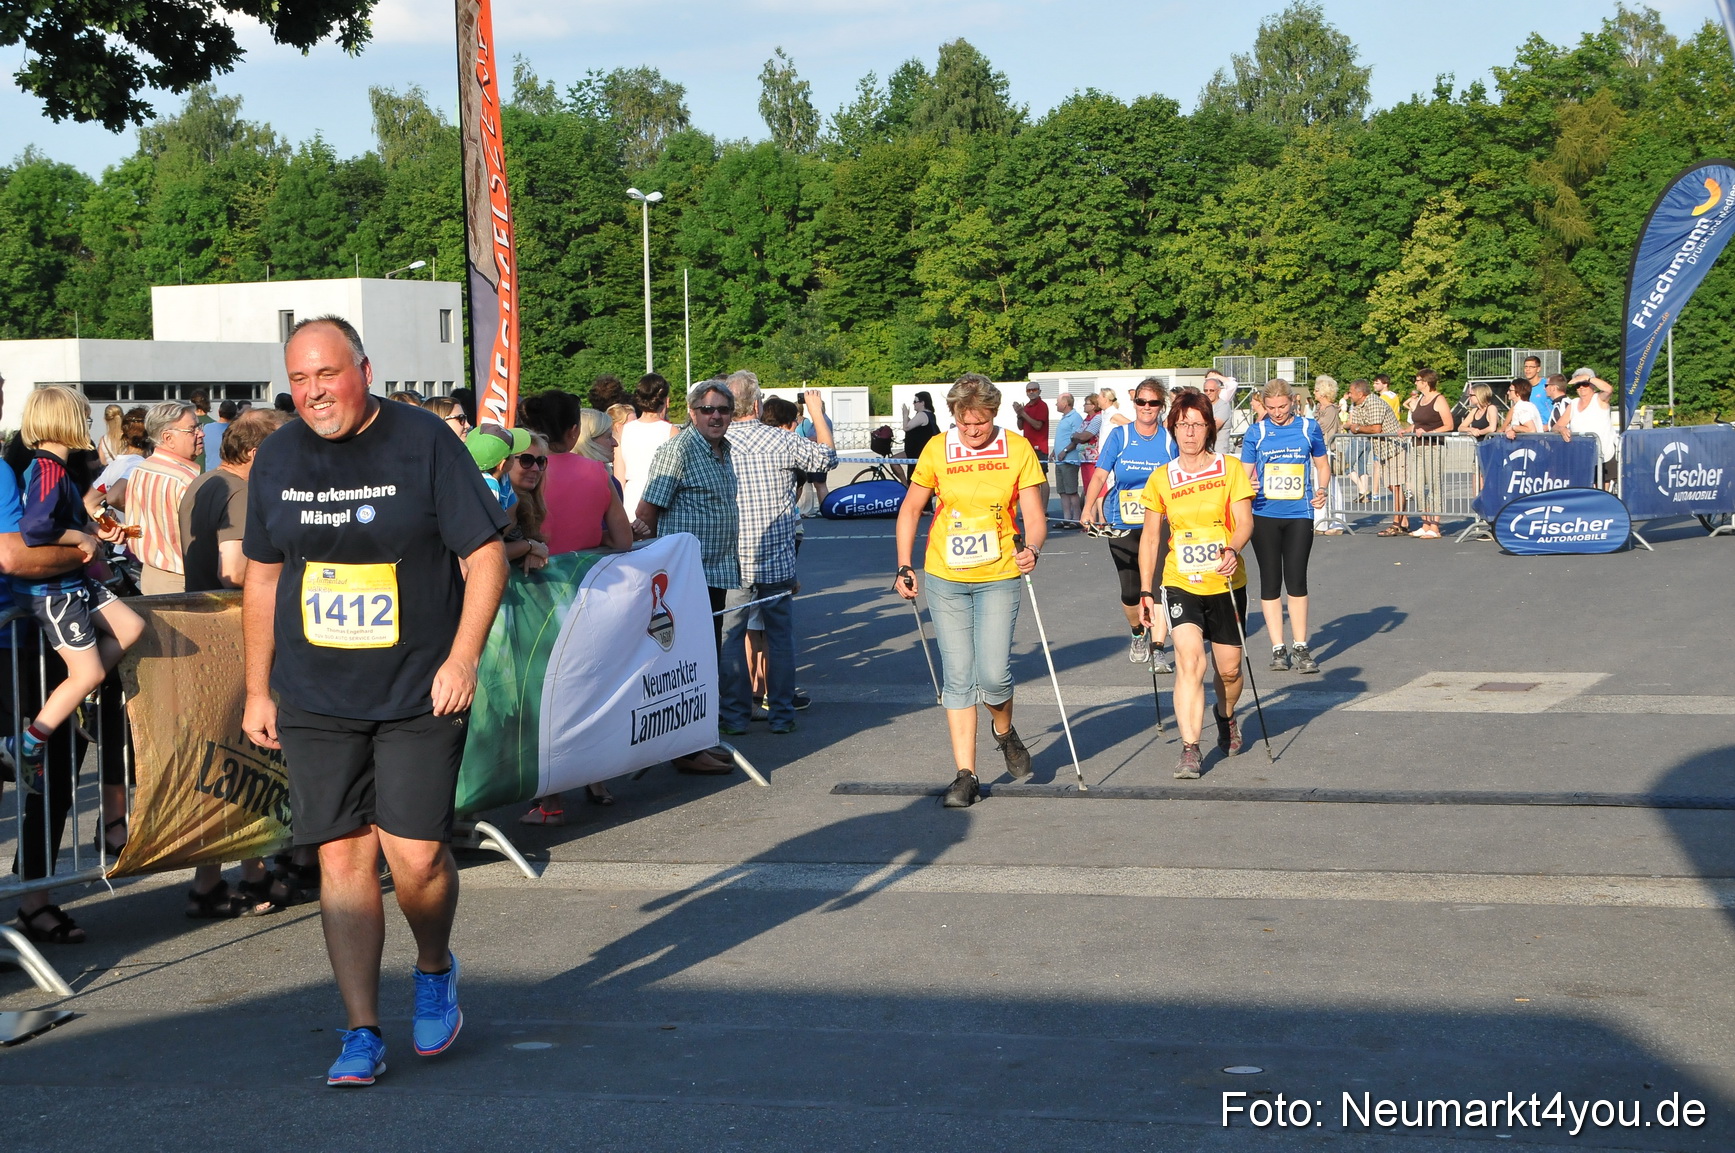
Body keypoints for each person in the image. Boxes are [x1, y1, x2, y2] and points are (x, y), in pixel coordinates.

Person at [241, 314, 509, 1087]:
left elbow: (485, 555)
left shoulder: (424, 442)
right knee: (342, 855)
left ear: (363, 367)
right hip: (316, 693)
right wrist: (257, 687)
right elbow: (262, 575)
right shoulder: (278, 454)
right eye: (298, 379)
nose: (313, 392)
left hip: (419, 686)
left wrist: (465, 656)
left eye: (326, 374)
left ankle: (432, 965)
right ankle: (361, 1027)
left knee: (417, 854)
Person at [178, 407, 312, 917]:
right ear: (257, 453)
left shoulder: (206, 480)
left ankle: (225, 878)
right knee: (248, 756)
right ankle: (248, 872)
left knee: (231, 758)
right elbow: (233, 569)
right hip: (236, 636)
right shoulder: (237, 490)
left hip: (215, 636)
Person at [893, 374, 1046, 809]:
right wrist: (904, 564)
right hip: (946, 574)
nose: (973, 431)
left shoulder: (1016, 449)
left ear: (993, 415)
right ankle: (966, 774)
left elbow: (1034, 515)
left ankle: (1004, 731)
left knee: (994, 676)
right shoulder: (937, 449)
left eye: (980, 423)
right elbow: (911, 508)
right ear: (954, 417)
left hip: (998, 573)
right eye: (965, 423)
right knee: (958, 677)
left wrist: (1032, 547)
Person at [3, 387, 145, 803]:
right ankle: (28, 741)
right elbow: (36, 530)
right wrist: (80, 539)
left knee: (131, 625)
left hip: (76, 585)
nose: (88, 422)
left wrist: (94, 528)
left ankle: (77, 695)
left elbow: (63, 516)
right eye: (82, 416)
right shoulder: (46, 470)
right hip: (55, 592)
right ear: (63, 421)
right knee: (89, 673)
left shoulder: (57, 469)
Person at [1136, 390, 1254, 780]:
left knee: (1230, 671)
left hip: (1224, 583)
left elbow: (1245, 522)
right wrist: (1146, 592)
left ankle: (1226, 715)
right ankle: (1190, 748)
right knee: (1190, 661)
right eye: (1182, 424)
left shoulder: (1230, 468)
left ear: (1209, 428)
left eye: (1197, 424)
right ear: (1173, 428)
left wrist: (1233, 548)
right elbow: (1151, 539)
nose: (1189, 432)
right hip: (1180, 581)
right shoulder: (1162, 477)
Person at [718, 374, 836, 736]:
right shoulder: (781, 439)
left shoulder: (714, 443)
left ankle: (735, 716)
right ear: (757, 405)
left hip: (733, 558)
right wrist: (815, 412)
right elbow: (827, 459)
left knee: (731, 638)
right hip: (777, 556)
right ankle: (782, 714)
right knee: (780, 637)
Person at [633, 379, 740, 776]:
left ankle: (699, 740)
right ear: (692, 413)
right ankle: (686, 748)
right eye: (708, 409)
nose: (716, 416)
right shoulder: (677, 450)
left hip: (715, 571)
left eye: (723, 410)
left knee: (705, 657)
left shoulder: (723, 451)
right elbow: (647, 512)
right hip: (685, 578)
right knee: (690, 659)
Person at [1080, 377, 1176, 671]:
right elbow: (1099, 475)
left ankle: (1158, 647)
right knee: (1131, 591)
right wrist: (1087, 510)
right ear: (1134, 403)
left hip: (1158, 525)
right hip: (1122, 521)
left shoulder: (1170, 439)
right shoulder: (1120, 436)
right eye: (1141, 402)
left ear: (1161, 406)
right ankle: (1138, 632)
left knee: (1158, 585)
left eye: (1153, 402)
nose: (1147, 408)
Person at [1242, 380, 1329, 672]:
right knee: (1270, 580)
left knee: (1296, 578)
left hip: (1299, 512)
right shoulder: (1257, 432)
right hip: (1265, 513)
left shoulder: (1309, 427)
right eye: (1270, 408)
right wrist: (1250, 484)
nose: (1277, 413)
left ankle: (1301, 646)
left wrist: (1323, 489)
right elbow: (1244, 475)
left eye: (1282, 407)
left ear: (1292, 401)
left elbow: (1321, 463)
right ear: (1263, 406)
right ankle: (1278, 647)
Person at [124, 401, 204, 593]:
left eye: (199, 427)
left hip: (150, 576)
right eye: (192, 429)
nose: (201, 434)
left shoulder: (140, 470)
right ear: (168, 438)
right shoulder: (186, 480)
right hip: (182, 581)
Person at [1346, 379, 1403, 534]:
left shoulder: (1374, 403)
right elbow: (1353, 425)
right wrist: (1355, 427)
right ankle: (1403, 521)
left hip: (1394, 447)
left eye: (1351, 392)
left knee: (1396, 485)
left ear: (1360, 393)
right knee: (1391, 485)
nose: (1349, 395)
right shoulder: (1358, 406)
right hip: (1381, 449)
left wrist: (1356, 427)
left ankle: (1398, 523)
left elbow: (1375, 429)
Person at [1402, 369, 1454, 539]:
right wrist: (1407, 430)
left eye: (1417, 380)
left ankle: (1435, 526)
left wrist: (1429, 432)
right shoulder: (1421, 399)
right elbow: (1417, 423)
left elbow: (1448, 425)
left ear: (1425, 382)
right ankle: (1425, 522)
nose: (1415, 383)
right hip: (1417, 447)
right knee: (1416, 487)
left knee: (1434, 485)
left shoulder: (1439, 399)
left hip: (1433, 447)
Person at [620, 373, 677, 517]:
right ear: (666, 400)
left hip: (630, 499)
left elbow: (619, 477)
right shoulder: (671, 431)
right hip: (660, 503)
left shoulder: (625, 430)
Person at [1560, 368, 1617, 489]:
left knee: (1601, 489)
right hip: (1582, 454)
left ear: (1592, 385)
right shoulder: (1574, 403)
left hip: (1604, 453)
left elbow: (1609, 389)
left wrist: (1588, 378)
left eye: (1584, 384)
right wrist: (1562, 429)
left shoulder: (1599, 399)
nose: (1581, 387)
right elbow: (1557, 425)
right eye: (1578, 385)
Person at [1310, 377, 1343, 534]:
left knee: (1332, 486)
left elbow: (1320, 428)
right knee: (1319, 486)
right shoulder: (1320, 409)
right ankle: (1321, 522)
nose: (1314, 393)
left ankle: (1338, 522)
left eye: (1316, 390)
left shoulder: (1330, 409)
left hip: (1328, 450)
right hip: (1320, 450)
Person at [1014, 382, 1051, 517]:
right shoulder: (1027, 406)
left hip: (1039, 446)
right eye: (1029, 390)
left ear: (1039, 391)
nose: (1031, 392)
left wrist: (1023, 413)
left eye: (1034, 389)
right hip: (1028, 446)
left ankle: (1044, 510)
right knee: (1030, 479)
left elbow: (1037, 425)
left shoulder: (1042, 406)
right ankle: (1034, 510)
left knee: (1042, 478)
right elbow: (1020, 427)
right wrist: (1019, 415)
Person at [1050, 393, 1085, 523]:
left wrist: (1065, 451)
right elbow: (1063, 437)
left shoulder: (1075, 418)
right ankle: (1066, 518)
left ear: (1065, 403)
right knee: (1062, 491)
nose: (1056, 404)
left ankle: (1076, 518)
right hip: (1060, 461)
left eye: (1058, 402)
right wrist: (1054, 451)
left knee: (1071, 491)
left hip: (1069, 460)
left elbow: (1077, 438)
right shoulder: (1064, 418)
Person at [1074, 393, 1104, 495]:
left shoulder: (1098, 418)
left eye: (1086, 403)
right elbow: (1073, 436)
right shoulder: (1086, 419)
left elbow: (1084, 436)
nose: (1084, 406)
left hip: (1093, 459)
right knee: (1087, 486)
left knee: (1095, 489)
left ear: (1093, 406)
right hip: (1084, 458)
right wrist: (1078, 436)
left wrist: (1078, 436)